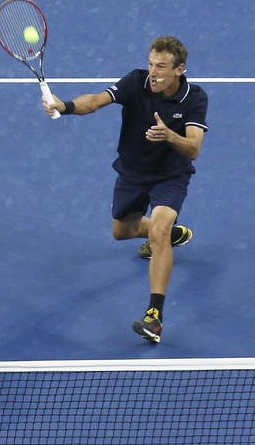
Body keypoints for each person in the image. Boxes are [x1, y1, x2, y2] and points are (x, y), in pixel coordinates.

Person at [43, 36, 208, 343]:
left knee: (157, 231)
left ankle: (154, 316)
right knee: (121, 231)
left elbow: (194, 148)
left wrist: (169, 135)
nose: (153, 73)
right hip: (132, 173)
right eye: (150, 64)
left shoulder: (195, 98)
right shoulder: (136, 82)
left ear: (180, 69)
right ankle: (170, 234)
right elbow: (95, 101)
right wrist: (63, 106)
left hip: (170, 176)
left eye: (161, 67)